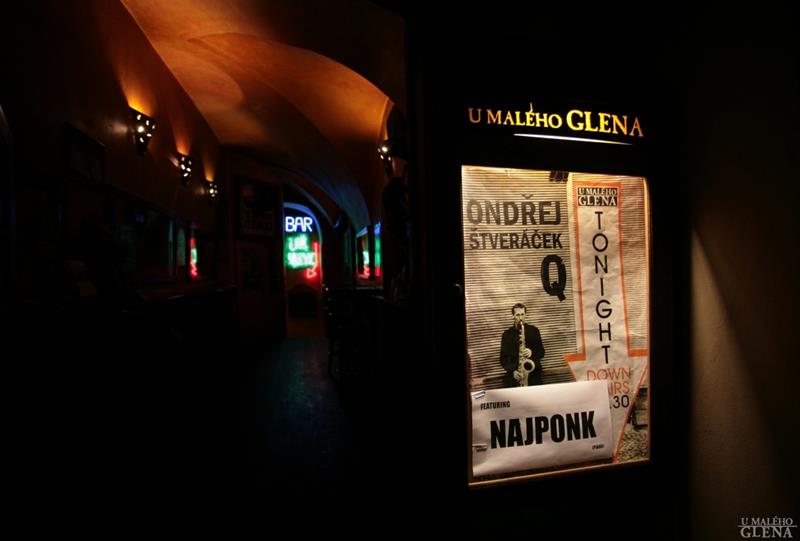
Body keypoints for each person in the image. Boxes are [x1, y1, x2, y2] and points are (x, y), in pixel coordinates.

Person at [500, 303, 545, 387]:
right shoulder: (507, 334)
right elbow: (503, 359)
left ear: (525, 315)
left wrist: (531, 352)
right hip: (516, 376)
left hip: (534, 376)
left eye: (522, 314)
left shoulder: (534, 330)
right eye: (517, 315)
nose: (520, 318)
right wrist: (513, 371)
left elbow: (541, 352)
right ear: (513, 316)